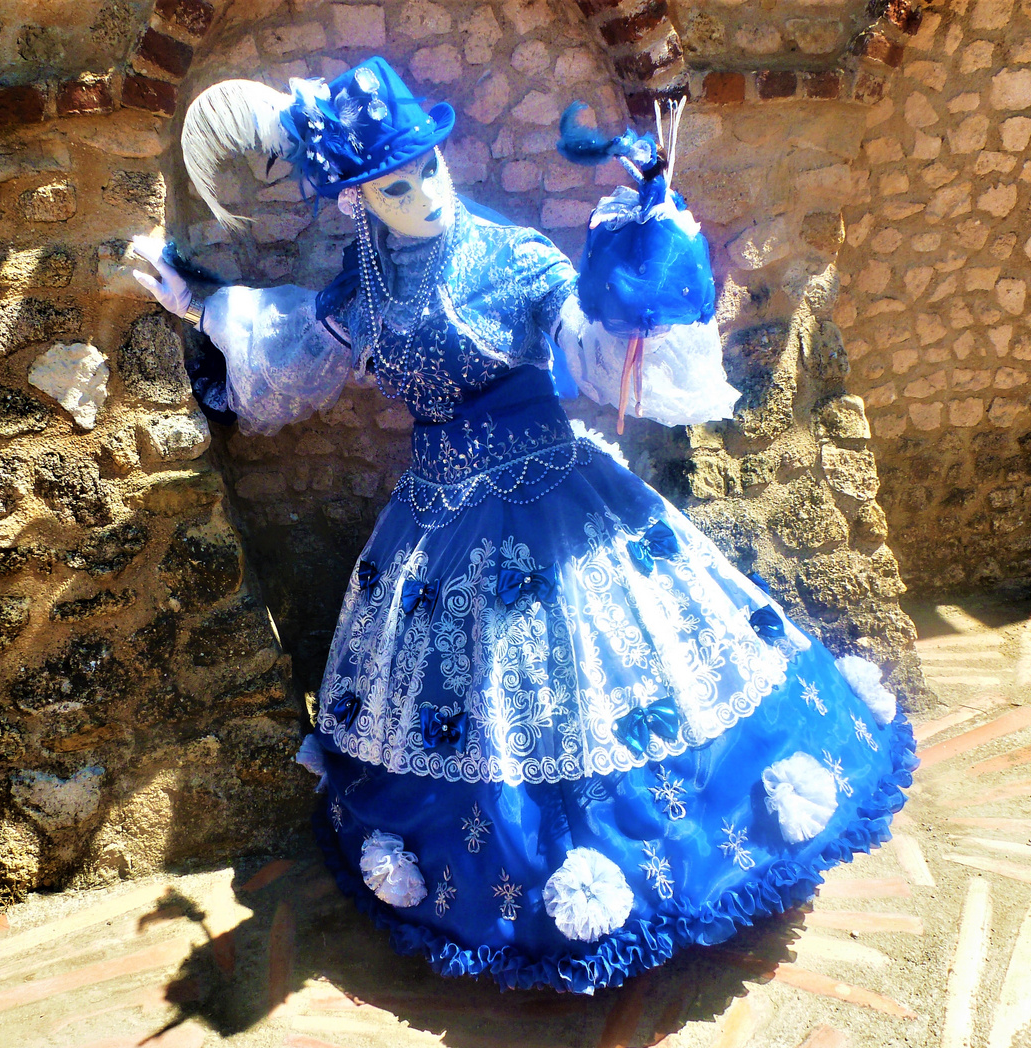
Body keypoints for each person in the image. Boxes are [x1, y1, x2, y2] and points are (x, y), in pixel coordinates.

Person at [132, 56, 917, 995]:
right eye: (394, 184)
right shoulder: (361, 287)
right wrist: (203, 304)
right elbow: (298, 356)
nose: (422, 193)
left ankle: (643, 869)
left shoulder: (514, 261)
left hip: (559, 499)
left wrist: (642, 267)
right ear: (356, 201)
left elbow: (603, 359)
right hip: (432, 523)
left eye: (428, 168)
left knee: (604, 682)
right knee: (484, 715)